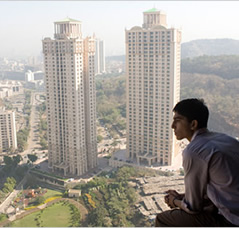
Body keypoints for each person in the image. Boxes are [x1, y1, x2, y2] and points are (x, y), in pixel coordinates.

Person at [155, 98, 239, 227]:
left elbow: (192, 208)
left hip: (232, 220)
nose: (172, 126)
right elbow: (221, 187)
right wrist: (183, 196)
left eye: (177, 121)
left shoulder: (194, 151)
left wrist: (174, 201)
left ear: (193, 124)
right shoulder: (227, 139)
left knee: (163, 219)